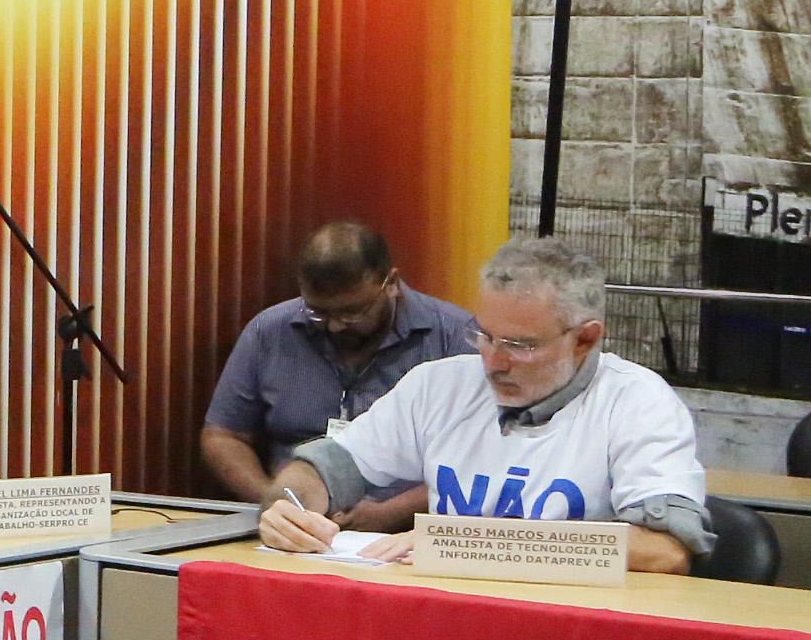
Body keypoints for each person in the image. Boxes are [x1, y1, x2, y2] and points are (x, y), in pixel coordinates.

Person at [258, 233, 706, 574]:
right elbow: (322, 469)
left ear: (585, 339)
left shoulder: (636, 402)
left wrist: (467, 543)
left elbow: (668, 550)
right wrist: (289, 507)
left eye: (520, 345)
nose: (493, 362)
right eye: (485, 336)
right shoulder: (440, 386)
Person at [202, 219, 476, 525]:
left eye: (352, 313)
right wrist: (276, 503)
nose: (334, 326)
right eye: (318, 312)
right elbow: (223, 436)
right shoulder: (269, 331)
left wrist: (391, 514)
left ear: (391, 283)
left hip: (409, 531)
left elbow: (479, 459)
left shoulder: (455, 336)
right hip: (294, 526)